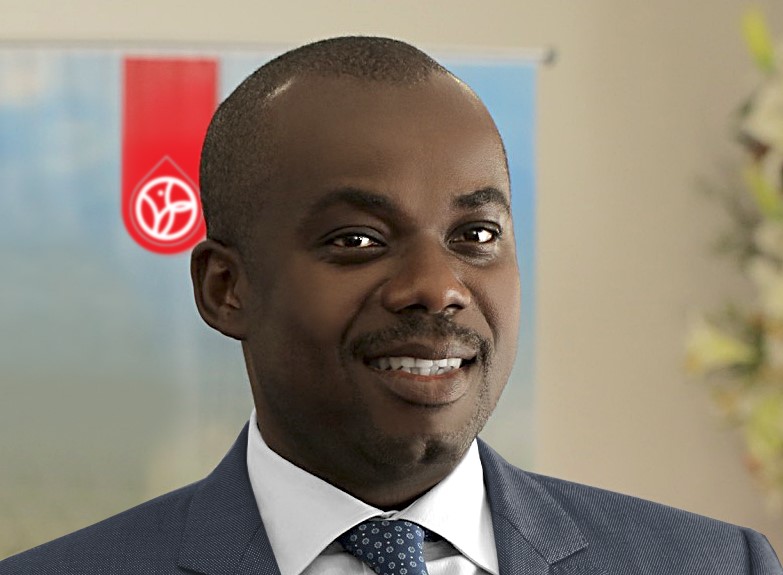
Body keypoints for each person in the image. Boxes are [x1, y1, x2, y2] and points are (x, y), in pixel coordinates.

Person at [1, 36, 780, 575]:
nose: (437, 286)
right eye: (357, 240)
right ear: (225, 288)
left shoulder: (712, 565)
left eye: (475, 235)